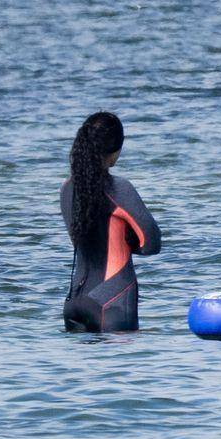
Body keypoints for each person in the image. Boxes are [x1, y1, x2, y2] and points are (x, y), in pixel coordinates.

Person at [59, 111, 161, 332]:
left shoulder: (67, 188)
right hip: (112, 299)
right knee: (120, 366)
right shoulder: (119, 188)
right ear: (115, 150)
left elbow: (81, 237)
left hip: (75, 300)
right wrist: (128, 241)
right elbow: (152, 243)